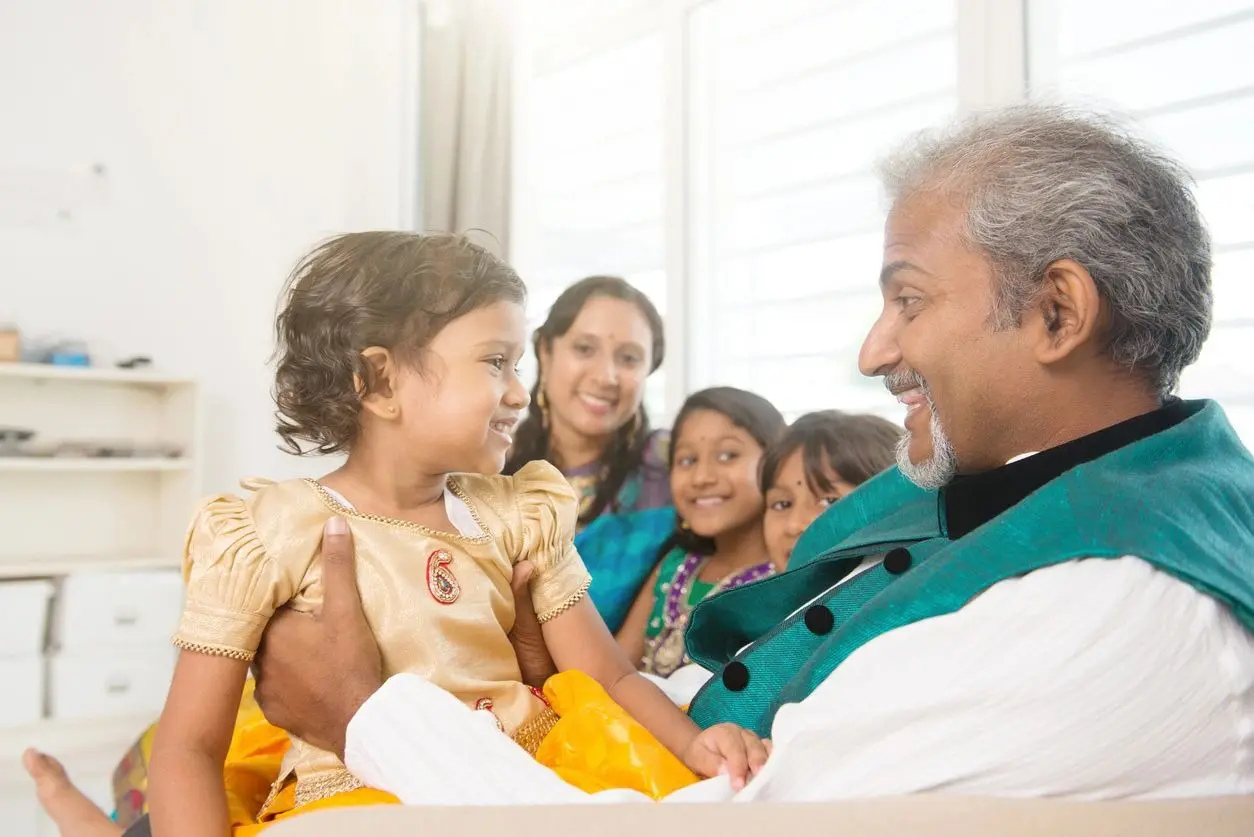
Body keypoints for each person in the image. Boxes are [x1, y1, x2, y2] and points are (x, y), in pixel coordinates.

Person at [33, 102, 1254, 821]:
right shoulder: (1014, 497)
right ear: (377, 382)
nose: (875, 347)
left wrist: (369, 711)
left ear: (1056, 313)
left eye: (909, 299)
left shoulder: (1107, 607)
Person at [26, 232, 764, 837]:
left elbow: (611, 676)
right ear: (378, 382)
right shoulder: (271, 530)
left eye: (519, 365)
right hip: (355, 798)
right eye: (494, 362)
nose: (518, 390)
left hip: (519, 778)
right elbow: (190, 744)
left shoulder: (517, 513)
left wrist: (695, 741)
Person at [504, 276, 676, 631]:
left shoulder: (674, 468)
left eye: (629, 358)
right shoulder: (489, 464)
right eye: (584, 349)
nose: (606, 376)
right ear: (545, 351)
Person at [615, 388, 785, 677]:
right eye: (687, 460)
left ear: (776, 465)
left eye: (727, 455)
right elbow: (612, 672)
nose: (702, 477)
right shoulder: (675, 565)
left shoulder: (786, 579)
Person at [759, 411, 901, 570]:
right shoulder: (743, 591)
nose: (794, 525)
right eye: (782, 504)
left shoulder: (916, 592)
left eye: (829, 502)